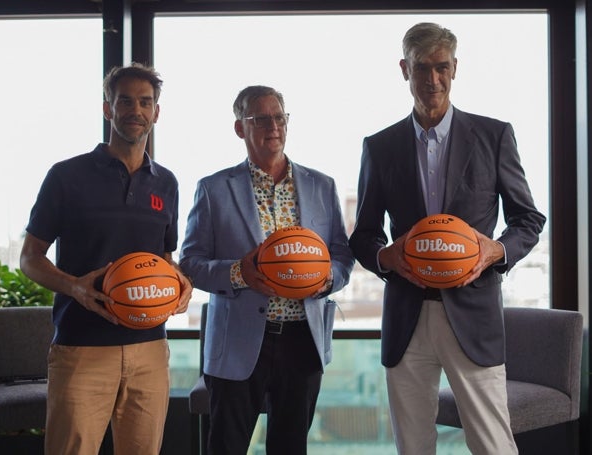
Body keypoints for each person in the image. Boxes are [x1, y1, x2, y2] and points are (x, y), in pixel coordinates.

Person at [349, 22, 546, 455]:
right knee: (413, 446)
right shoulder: (379, 147)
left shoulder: (494, 136)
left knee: (493, 444)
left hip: (473, 314)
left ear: (455, 68)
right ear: (405, 69)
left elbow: (528, 218)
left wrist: (497, 249)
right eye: (422, 68)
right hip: (407, 315)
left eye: (442, 67)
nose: (432, 79)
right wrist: (386, 257)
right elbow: (362, 235)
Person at [19, 63, 192, 455]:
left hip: (150, 347)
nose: (136, 110)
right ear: (107, 109)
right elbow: (29, 258)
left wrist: (180, 285)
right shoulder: (66, 175)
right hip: (82, 347)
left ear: (156, 112)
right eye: (125, 101)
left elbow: (164, 259)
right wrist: (76, 287)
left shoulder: (166, 182)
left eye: (145, 102)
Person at [179, 85, 354, 454]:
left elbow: (342, 255)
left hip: (302, 340)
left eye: (279, 117)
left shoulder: (322, 186)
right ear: (240, 128)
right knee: (226, 446)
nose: (272, 125)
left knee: (290, 448)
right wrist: (238, 272)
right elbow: (191, 264)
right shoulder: (213, 189)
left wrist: (327, 280)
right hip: (238, 342)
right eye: (260, 118)